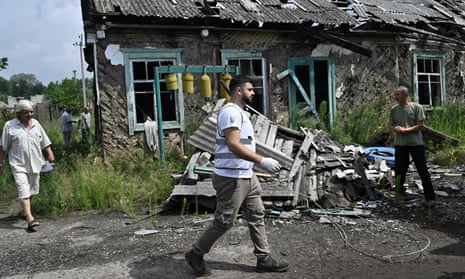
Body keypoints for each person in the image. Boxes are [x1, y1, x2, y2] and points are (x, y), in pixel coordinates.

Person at [185, 77, 289, 276]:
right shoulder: (231, 112)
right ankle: (195, 253)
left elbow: (243, 144)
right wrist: (261, 160)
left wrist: (254, 164)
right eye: (250, 89)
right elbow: (233, 145)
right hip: (231, 179)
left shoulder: (241, 113)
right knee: (224, 221)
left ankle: (264, 258)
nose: (253, 93)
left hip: (247, 176)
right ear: (239, 91)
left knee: (257, 214)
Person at [0, 100, 55, 231]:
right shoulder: (10, 126)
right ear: (19, 113)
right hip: (18, 164)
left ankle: (25, 210)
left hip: (36, 164)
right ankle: (30, 218)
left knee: (32, 190)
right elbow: (2, 146)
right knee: (23, 188)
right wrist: (0, 161)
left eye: (31, 112)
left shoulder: (36, 124)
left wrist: (50, 154)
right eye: (26, 113)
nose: (30, 115)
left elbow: (45, 142)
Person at [388, 85, 435, 206]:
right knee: (400, 171)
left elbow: (420, 125)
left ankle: (430, 198)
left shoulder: (416, 107)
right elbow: (390, 125)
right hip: (400, 144)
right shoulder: (394, 109)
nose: (396, 97)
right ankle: (399, 196)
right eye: (395, 94)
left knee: (422, 170)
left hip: (415, 144)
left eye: (398, 94)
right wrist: (396, 129)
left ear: (405, 95)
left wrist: (406, 130)